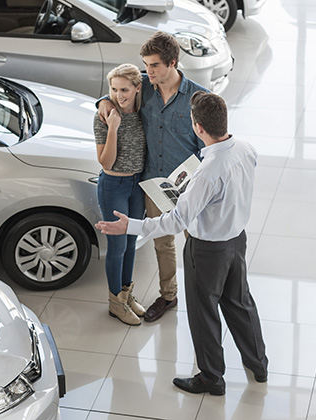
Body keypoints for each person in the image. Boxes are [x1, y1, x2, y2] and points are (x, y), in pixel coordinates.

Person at [96, 92, 268, 395]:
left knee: (204, 313)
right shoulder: (245, 149)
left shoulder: (208, 172)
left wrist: (131, 225)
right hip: (236, 241)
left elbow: (177, 221)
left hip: (207, 250)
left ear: (198, 128)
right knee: (240, 302)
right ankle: (259, 363)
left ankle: (212, 378)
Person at [97, 31, 208, 322]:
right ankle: (168, 296)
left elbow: (208, 147)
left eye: (154, 65)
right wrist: (103, 103)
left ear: (172, 63)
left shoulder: (197, 98)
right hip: (151, 183)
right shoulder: (145, 87)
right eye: (145, 65)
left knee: (196, 244)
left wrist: (192, 179)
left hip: (188, 187)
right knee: (162, 242)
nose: (148, 71)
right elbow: (118, 92)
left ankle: (203, 298)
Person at [94, 64, 147, 325]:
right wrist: (113, 127)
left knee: (132, 242)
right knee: (118, 246)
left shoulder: (144, 108)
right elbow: (106, 162)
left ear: (138, 88)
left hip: (137, 185)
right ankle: (115, 302)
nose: (119, 95)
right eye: (113, 90)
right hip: (113, 186)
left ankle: (127, 294)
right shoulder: (104, 116)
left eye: (125, 89)